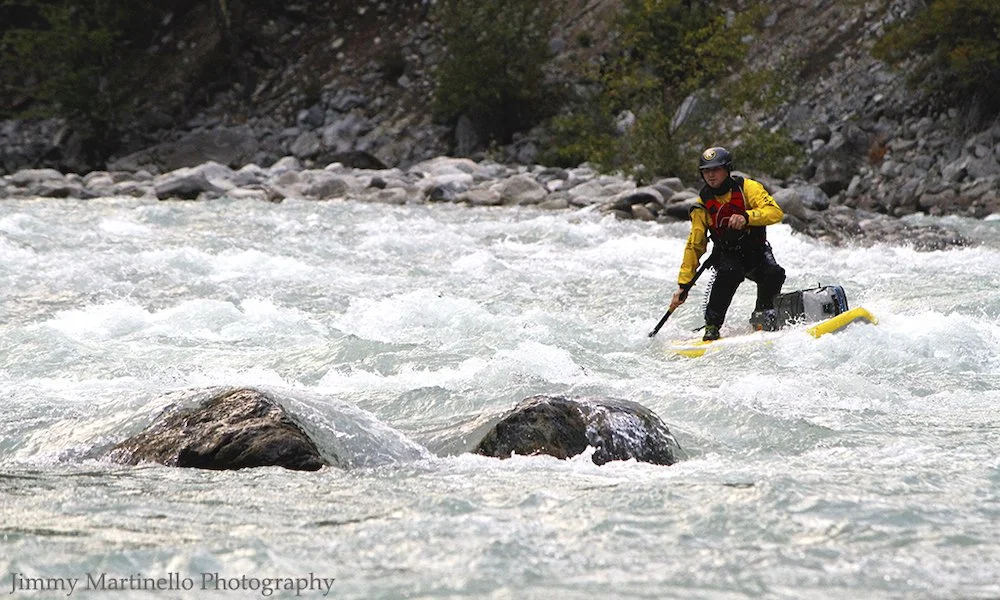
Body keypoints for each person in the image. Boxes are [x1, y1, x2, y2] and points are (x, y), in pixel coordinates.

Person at [669, 146, 786, 341]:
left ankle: (762, 317)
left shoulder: (749, 188)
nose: (711, 175)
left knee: (774, 273)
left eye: (716, 169)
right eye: (706, 171)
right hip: (728, 254)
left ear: (727, 170)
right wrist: (683, 284)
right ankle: (712, 327)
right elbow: (695, 244)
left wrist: (746, 216)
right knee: (730, 273)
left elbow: (775, 213)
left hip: (755, 250)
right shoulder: (701, 205)